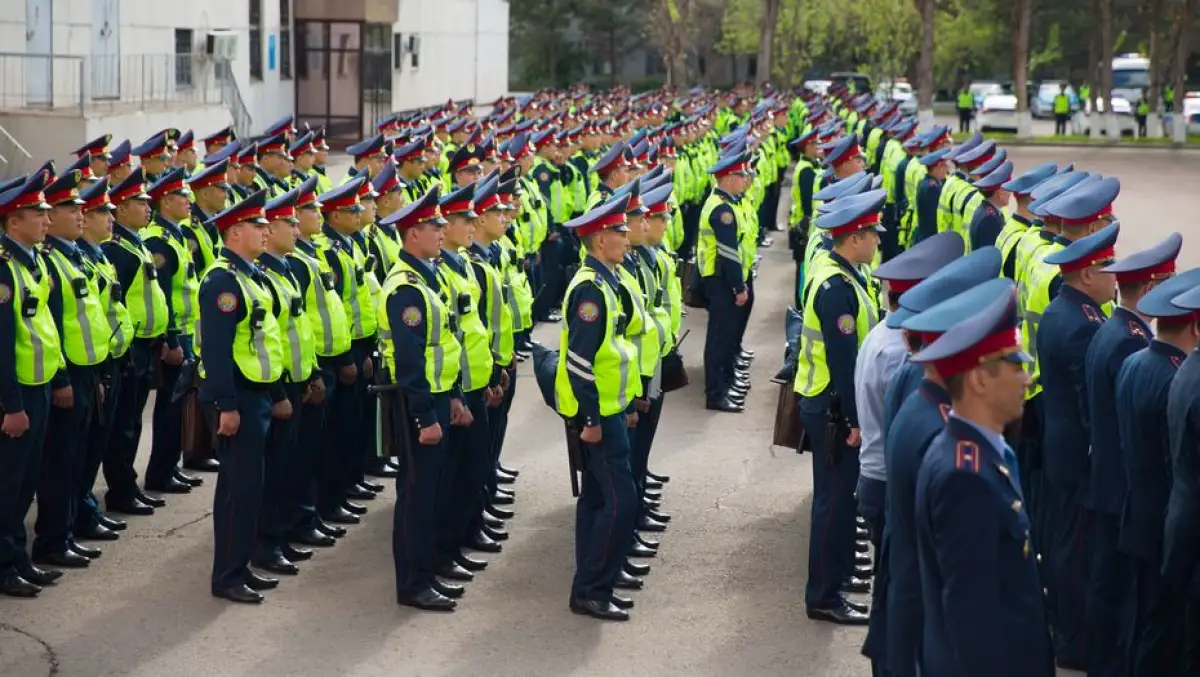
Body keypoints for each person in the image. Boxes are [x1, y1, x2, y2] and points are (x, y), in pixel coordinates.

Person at [912, 280, 1055, 677]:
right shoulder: (965, 476)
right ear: (978, 379)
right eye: (1016, 365)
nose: (1027, 379)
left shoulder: (989, 451)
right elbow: (972, 620)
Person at [855, 230, 964, 672]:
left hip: (877, 473)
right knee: (904, 598)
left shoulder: (884, 335)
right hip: (887, 481)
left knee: (894, 590)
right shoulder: (902, 354)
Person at [1084, 232, 1182, 677]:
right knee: (1136, 610)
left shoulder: (1116, 333)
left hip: (1113, 484)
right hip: (1132, 493)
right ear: (1155, 287)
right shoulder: (1132, 344)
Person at [796, 188, 884, 626]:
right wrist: (855, 420)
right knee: (834, 501)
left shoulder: (844, 274)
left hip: (830, 404)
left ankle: (840, 574)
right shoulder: (835, 288)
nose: (877, 242)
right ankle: (824, 596)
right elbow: (844, 360)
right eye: (873, 235)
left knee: (837, 499)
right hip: (832, 409)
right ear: (854, 237)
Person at [377, 187, 465, 612]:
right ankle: (413, 584)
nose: (443, 230)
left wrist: (451, 397)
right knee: (416, 495)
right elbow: (410, 361)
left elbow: (442, 345)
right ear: (413, 234)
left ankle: (425, 575)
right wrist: (425, 415)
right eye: (435, 225)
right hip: (418, 406)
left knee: (429, 494)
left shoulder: (428, 276)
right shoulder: (405, 288)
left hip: (435, 399)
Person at [1038, 221, 1121, 671]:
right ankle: (1073, 641)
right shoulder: (1081, 327)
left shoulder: (1063, 310)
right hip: (1077, 455)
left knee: (1066, 542)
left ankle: (1067, 628)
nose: (1116, 276)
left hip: (1061, 448)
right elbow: (1089, 401)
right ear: (1086, 275)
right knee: (1076, 551)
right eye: (1108, 267)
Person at [196, 189, 286, 604]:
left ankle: (241, 565)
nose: (266, 231)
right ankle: (227, 576)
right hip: (238, 398)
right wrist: (226, 405)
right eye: (258, 225)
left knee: (253, 487)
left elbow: (264, 340)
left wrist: (276, 391)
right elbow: (216, 349)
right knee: (239, 487)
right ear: (235, 231)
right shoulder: (222, 281)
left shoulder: (250, 275)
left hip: (257, 394)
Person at [1116, 269, 1200, 676]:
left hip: (1140, 512)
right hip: (1165, 525)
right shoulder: (1174, 376)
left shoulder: (1136, 363)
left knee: (1145, 625)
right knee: (1162, 635)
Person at [33, 169, 111, 571]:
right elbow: (50, 326)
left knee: (78, 456)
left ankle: (64, 531)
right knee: (59, 461)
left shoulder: (75, 255)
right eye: (71, 209)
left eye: (83, 209)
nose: (81, 215)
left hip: (88, 369)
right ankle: (51, 538)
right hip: (67, 374)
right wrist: (63, 379)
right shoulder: (50, 260)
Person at [0, 172, 67, 597]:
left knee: (26, 483)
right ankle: (5, 565)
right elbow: (3, 344)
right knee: (8, 485)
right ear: (12, 222)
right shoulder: (5, 271)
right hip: (18, 393)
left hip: (39, 385)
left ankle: (19, 559)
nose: (47, 220)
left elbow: (45, 328)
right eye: (37, 214)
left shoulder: (34, 261)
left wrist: (58, 377)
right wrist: (11, 404)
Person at [253, 188, 322, 576]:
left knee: (291, 465)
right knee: (273, 471)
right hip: (273, 387)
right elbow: (267, 342)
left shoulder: (286, 268)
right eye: (288, 223)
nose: (296, 229)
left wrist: (310, 373)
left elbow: (299, 331)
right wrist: (280, 393)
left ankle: (281, 536)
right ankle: (266, 544)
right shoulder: (264, 273)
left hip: (295, 381)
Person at [101, 168, 170, 517]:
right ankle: (120, 490)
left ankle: (128, 484)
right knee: (123, 425)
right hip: (130, 348)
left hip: (146, 345)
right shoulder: (118, 252)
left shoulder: (136, 244)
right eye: (140, 203)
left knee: (133, 422)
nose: (148, 208)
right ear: (122, 208)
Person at [74, 178, 132, 543]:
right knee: (76, 452)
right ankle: (71, 521)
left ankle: (85, 510)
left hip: (107, 359)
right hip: (81, 367)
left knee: (96, 444)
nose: (109, 219)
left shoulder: (96, 256)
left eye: (111, 212)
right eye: (101, 213)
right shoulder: (74, 259)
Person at [142, 167, 203, 495]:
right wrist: (171, 340)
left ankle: (170, 467)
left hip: (186, 332)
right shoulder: (158, 240)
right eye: (183, 196)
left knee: (177, 406)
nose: (189, 201)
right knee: (168, 408)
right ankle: (159, 473)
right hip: (175, 335)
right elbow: (161, 295)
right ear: (165, 201)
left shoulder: (176, 235)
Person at [698, 151, 754, 413]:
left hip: (726, 278)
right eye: (741, 175)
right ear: (728, 178)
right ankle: (716, 393)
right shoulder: (722, 210)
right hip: (721, 280)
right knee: (719, 339)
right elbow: (729, 252)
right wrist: (738, 287)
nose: (745, 179)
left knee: (727, 335)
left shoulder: (727, 204)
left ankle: (727, 382)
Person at [965, 160, 1014, 252]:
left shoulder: (986, 211)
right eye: (1008, 189)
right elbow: (990, 257)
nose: (1010, 194)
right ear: (1000, 192)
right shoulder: (990, 220)